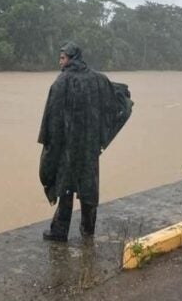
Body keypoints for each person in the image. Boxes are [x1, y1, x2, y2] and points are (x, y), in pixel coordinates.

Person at [38, 42, 132, 242]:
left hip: (68, 147)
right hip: (89, 146)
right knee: (89, 187)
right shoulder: (97, 79)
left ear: (71, 58)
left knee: (65, 186)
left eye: (62, 58)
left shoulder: (61, 82)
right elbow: (113, 101)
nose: (60, 61)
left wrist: (50, 144)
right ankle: (88, 230)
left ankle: (59, 231)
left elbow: (52, 117)